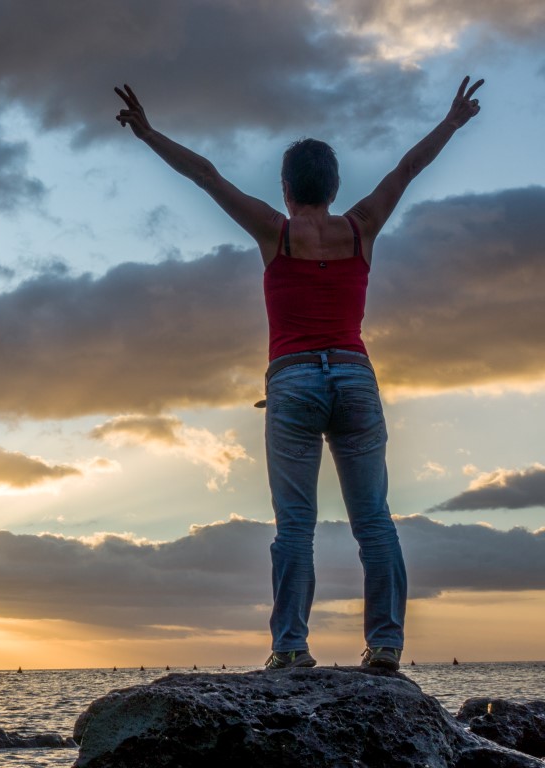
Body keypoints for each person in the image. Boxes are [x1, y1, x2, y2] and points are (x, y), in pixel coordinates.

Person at [115, 76, 484, 670]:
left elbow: (206, 175)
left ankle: (290, 649)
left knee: (295, 527)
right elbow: (407, 168)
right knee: (374, 521)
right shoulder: (360, 226)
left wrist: (149, 133)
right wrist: (453, 121)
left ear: (286, 188)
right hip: (353, 377)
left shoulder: (275, 231)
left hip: (292, 381)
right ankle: (386, 646)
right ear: (334, 187)